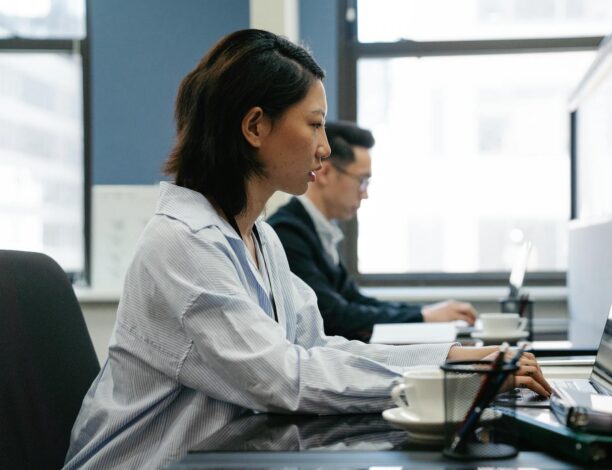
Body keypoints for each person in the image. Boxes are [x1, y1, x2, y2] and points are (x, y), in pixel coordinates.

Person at [63, 30, 551, 469]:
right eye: (314, 125)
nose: (324, 148)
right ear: (255, 128)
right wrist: (457, 374)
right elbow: (285, 379)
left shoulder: (259, 237)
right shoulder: (184, 243)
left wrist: (456, 356)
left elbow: (318, 350)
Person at [268, 121, 477, 340]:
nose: (365, 194)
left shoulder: (315, 229)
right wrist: (424, 316)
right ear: (326, 173)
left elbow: (354, 300)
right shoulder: (287, 232)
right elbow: (333, 315)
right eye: (361, 181)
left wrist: (426, 313)